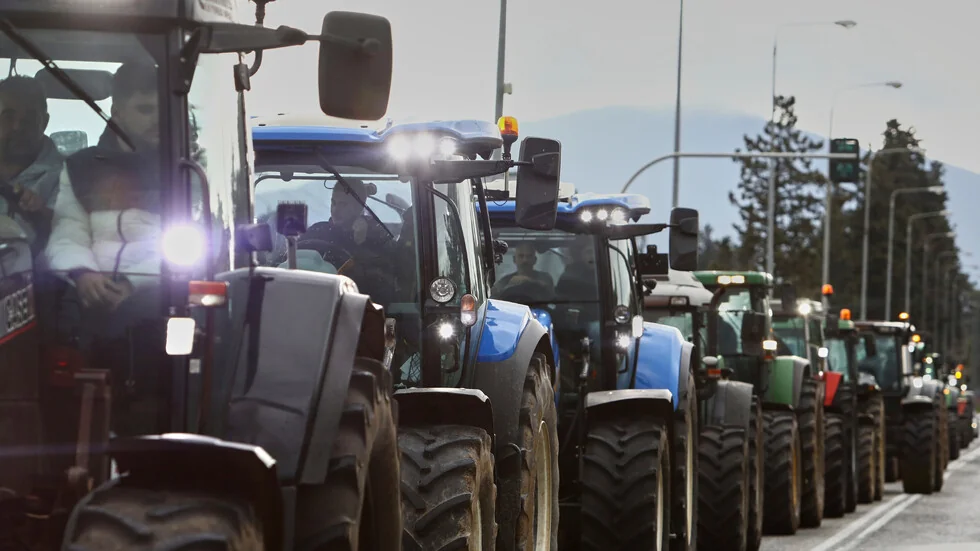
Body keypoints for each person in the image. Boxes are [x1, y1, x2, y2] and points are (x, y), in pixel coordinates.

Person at [44, 62, 160, 311]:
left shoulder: (186, 170)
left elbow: (194, 246)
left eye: (163, 110)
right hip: (88, 302)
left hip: (161, 301)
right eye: (145, 109)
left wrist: (132, 283)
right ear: (117, 112)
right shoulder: (81, 167)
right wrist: (83, 273)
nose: (157, 119)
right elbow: (68, 232)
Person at [0, 75, 64, 253]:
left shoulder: (66, 176)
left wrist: (40, 212)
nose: (17, 126)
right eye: (8, 117)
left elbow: (69, 236)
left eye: (29, 118)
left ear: (44, 122)